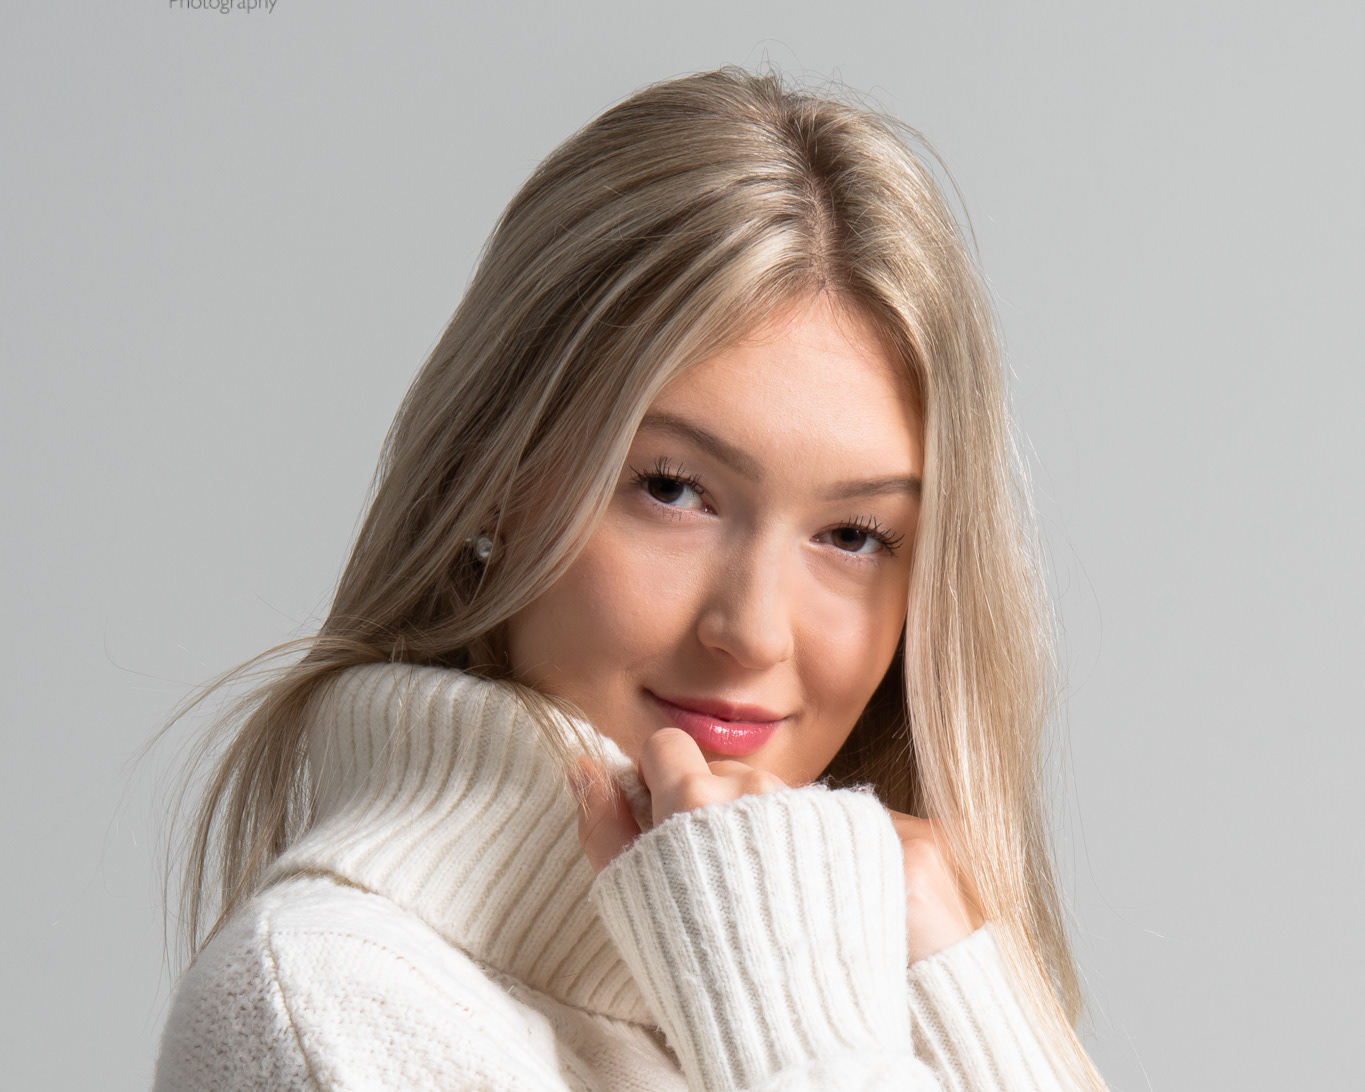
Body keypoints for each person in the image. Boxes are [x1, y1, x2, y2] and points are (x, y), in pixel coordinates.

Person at [154, 68, 1107, 1091]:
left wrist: (968, 1004)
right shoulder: (328, 1007)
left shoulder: (905, 973)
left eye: (853, 534)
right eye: (672, 489)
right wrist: (797, 1031)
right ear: (493, 478)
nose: (755, 632)